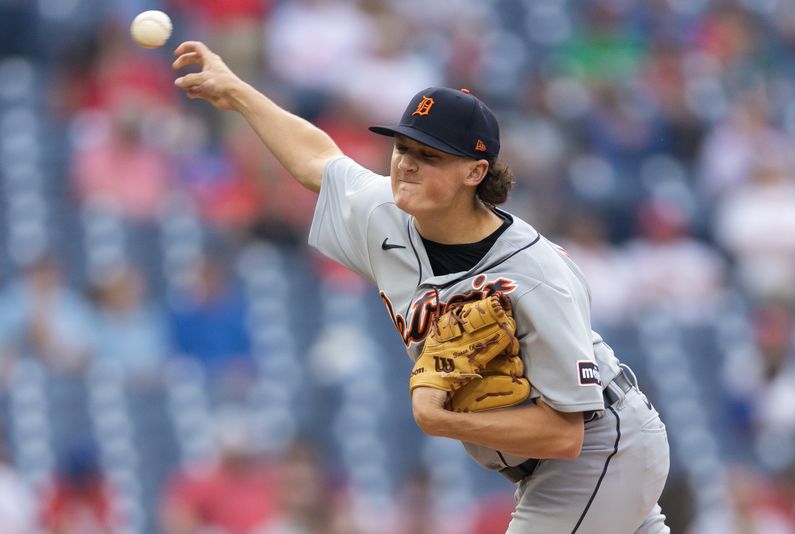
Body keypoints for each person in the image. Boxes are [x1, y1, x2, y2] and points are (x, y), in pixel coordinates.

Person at [173, 41, 671, 533]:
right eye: (403, 147)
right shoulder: (385, 214)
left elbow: (565, 434)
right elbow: (317, 161)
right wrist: (237, 91)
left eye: (429, 155)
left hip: (601, 446)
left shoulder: (536, 275)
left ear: (475, 172)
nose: (406, 163)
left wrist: (443, 420)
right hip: (556, 465)